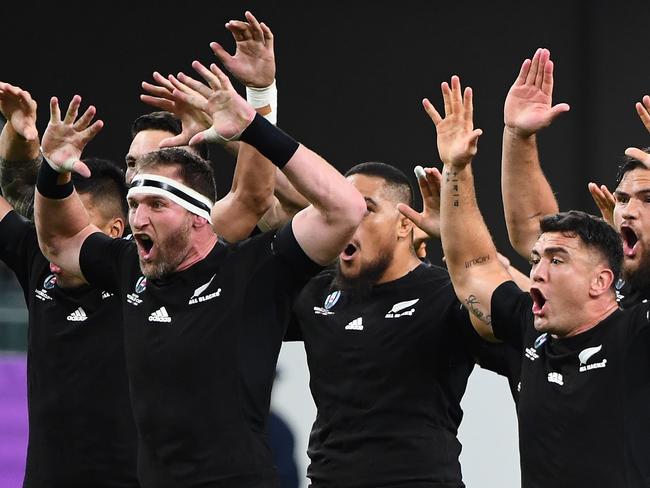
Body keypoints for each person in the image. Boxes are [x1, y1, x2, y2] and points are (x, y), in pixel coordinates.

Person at [34, 56, 365, 488]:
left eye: (156, 205)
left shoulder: (255, 269)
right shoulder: (128, 266)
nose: (137, 220)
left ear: (198, 217)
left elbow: (346, 208)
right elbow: (60, 240)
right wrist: (51, 170)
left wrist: (254, 126)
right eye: (134, 205)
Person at [428, 74, 650, 487]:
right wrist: (460, 167)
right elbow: (474, 264)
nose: (537, 272)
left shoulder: (637, 331)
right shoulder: (533, 333)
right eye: (621, 199)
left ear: (601, 281)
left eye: (647, 199)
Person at [0, 84, 139, 488]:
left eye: (74, 227)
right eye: (55, 227)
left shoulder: (142, 274)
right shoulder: (38, 256)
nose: (58, 242)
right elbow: (16, 187)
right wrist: (15, 130)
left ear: (116, 231)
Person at [500, 48, 650, 307]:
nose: (628, 211)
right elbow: (536, 230)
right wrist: (518, 136)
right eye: (623, 200)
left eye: (648, 199)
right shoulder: (605, 276)